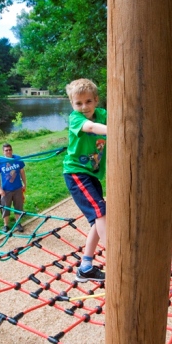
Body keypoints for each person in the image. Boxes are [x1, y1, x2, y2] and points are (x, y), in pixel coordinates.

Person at [63, 78, 108, 282]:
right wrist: (114, 129)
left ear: (96, 100)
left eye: (88, 102)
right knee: (101, 212)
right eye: (78, 103)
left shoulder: (103, 115)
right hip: (77, 173)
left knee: (97, 220)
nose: (83, 107)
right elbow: (90, 128)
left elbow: (117, 117)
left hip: (92, 174)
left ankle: (86, 266)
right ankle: (116, 257)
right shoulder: (76, 119)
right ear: (72, 104)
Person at [0, 143, 27, 233]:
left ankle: (18, 223)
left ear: (12, 150)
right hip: (6, 190)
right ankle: (6, 225)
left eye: (9, 149)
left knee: (18, 206)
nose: (8, 151)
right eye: (6, 150)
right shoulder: (0, 161)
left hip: (17, 188)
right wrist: (0, 189)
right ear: (3, 152)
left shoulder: (17, 159)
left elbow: (22, 172)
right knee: (6, 207)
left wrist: (24, 183)